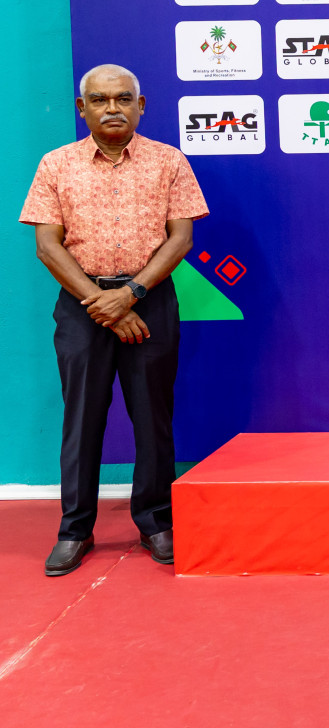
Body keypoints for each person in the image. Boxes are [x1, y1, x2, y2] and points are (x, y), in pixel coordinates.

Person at [19, 65, 208, 575]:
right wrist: (100, 302)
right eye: (99, 100)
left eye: (123, 99)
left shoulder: (168, 161)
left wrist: (131, 294)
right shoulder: (56, 165)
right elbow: (46, 245)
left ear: (141, 106)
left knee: (153, 415)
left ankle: (155, 521)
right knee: (82, 420)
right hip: (82, 307)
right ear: (82, 109)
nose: (112, 108)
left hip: (148, 302)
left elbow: (181, 238)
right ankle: (74, 529)